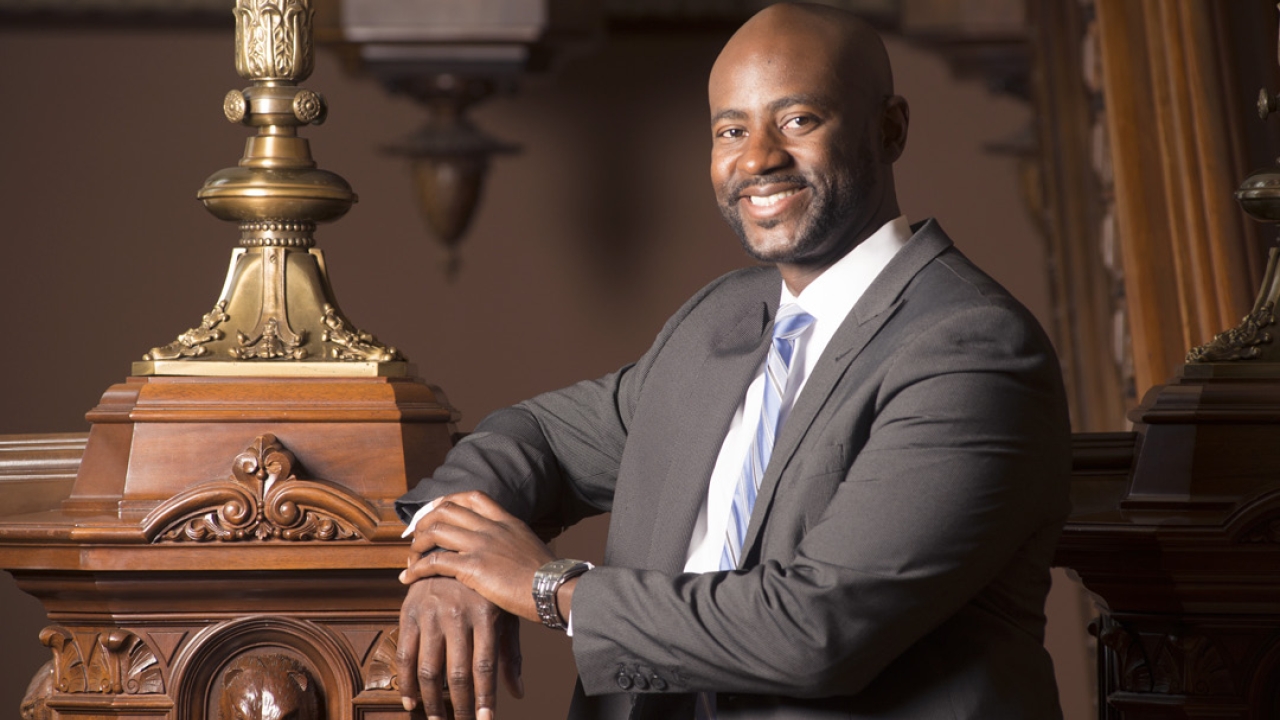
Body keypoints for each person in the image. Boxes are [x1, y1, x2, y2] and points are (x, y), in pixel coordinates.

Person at [394, 3, 1072, 719]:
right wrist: (449, 563)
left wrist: (545, 587)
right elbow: (535, 437)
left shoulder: (970, 350)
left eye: (798, 121)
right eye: (731, 129)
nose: (757, 159)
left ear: (890, 128)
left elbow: (813, 630)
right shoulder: (720, 319)